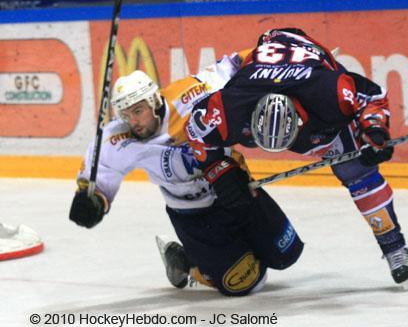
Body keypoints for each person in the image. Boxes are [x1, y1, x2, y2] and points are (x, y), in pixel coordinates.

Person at [185, 28, 408, 290]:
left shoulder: (328, 92)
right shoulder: (230, 108)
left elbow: (372, 96)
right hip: (261, 72)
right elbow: (195, 132)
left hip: (307, 70)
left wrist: (374, 130)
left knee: (356, 171)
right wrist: (220, 171)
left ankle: (394, 246)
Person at [68, 60, 304, 297]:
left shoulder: (190, 95)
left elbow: (236, 63)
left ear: (154, 101)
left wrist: (295, 64)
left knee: (287, 254)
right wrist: (93, 200)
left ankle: (225, 254)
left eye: (138, 111)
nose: (133, 122)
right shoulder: (118, 139)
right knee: (247, 282)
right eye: (126, 115)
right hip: (194, 215)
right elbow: (99, 172)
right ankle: (185, 262)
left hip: (236, 189)